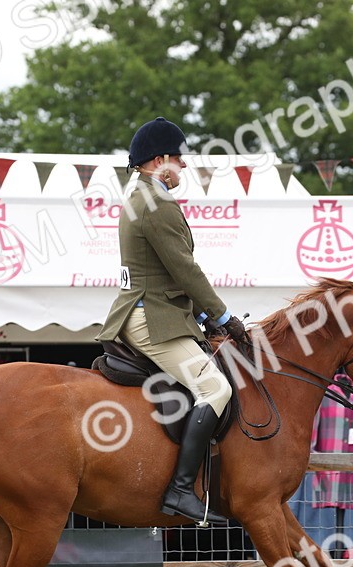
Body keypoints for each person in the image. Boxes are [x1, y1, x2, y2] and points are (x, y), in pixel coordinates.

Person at [97, 116, 246, 524]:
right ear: (160, 159)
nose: (183, 167)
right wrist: (223, 316)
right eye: (179, 160)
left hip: (155, 308)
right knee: (215, 388)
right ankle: (180, 491)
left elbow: (164, 274)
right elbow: (185, 269)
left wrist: (201, 315)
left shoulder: (141, 197)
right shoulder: (156, 203)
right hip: (152, 319)